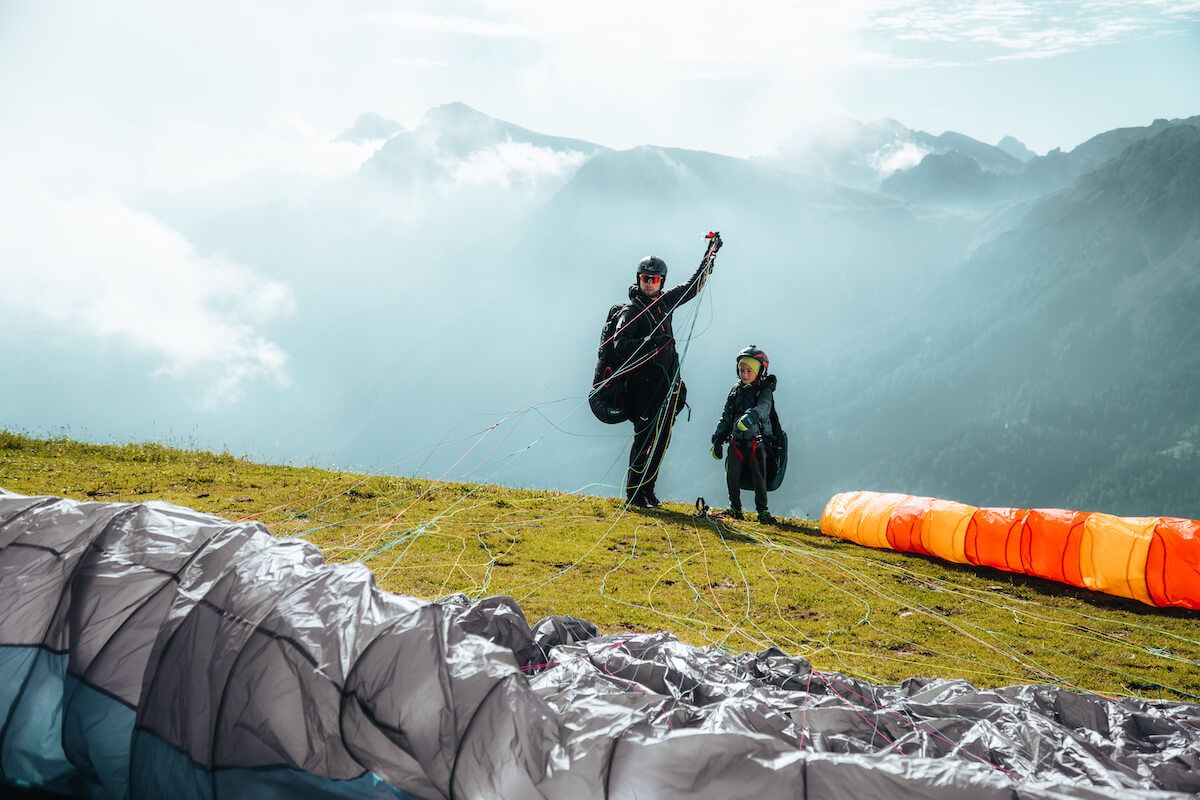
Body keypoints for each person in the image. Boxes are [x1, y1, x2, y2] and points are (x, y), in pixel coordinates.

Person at [612, 252, 712, 508]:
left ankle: (648, 490)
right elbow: (620, 345)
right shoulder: (631, 311)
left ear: (661, 281)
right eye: (646, 278)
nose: (649, 283)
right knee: (645, 439)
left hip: (667, 386)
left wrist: (709, 257)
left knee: (662, 438)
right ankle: (634, 494)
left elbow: (691, 287)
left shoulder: (665, 303)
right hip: (642, 390)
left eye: (655, 279)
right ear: (639, 279)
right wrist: (650, 344)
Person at [711, 346, 776, 523]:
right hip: (736, 442)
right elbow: (726, 415)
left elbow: (763, 408)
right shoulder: (735, 391)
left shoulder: (764, 391)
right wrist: (717, 438)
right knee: (732, 476)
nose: (744, 374)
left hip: (757, 444)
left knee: (759, 478)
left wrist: (750, 417)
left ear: (759, 372)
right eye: (741, 370)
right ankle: (735, 508)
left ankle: (762, 511)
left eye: (749, 371)